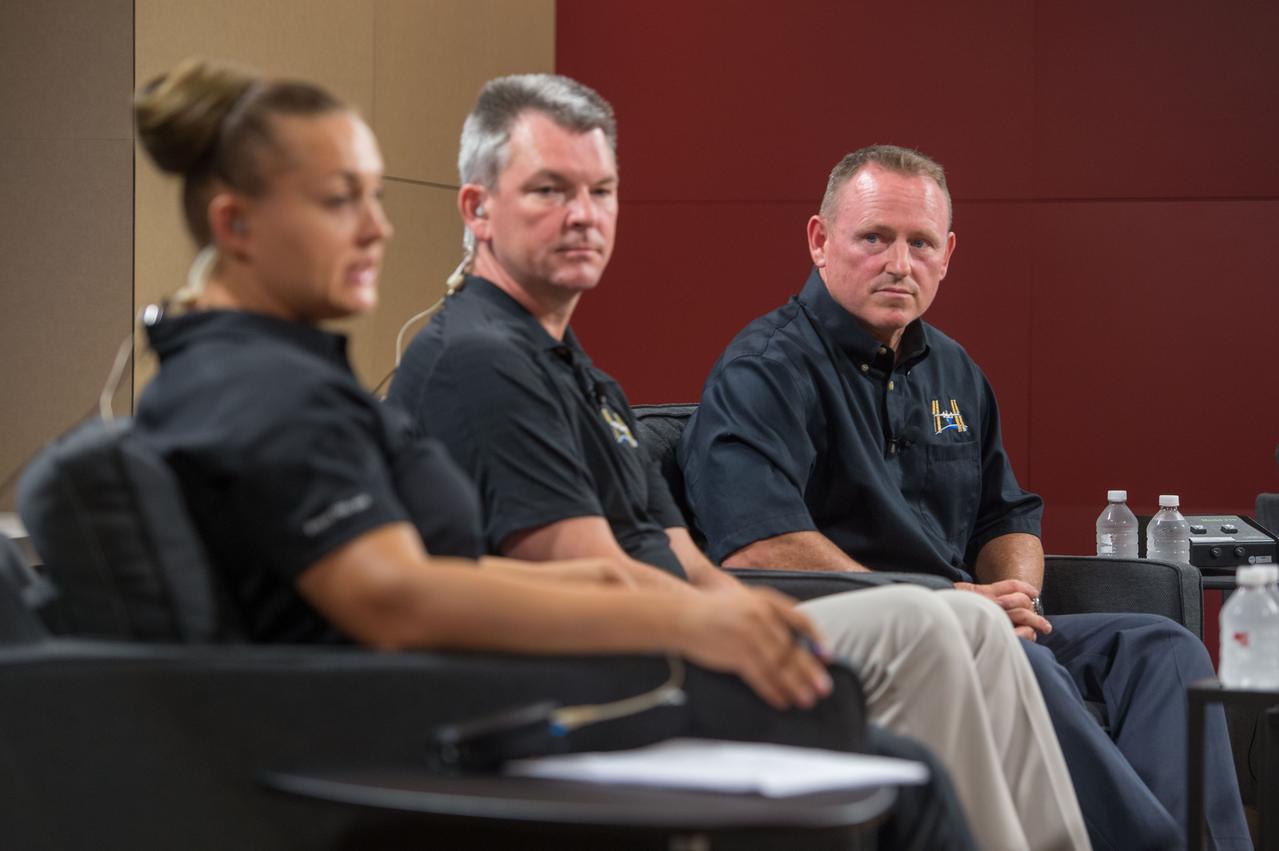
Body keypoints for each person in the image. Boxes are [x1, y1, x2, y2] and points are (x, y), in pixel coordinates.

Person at [127, 57, 898, 807]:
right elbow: (396, 596)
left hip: (452, 706)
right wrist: (681, 617)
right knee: (897, 766)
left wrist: (618, 589)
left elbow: (427, 571)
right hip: (410, 748)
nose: (377, 228)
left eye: (374, 197)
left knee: (894, 753)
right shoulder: (261, 386)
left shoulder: (277, 373)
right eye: (339, 200)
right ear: (235, 224)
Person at [390, 73, 1088, 851]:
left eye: (601, 190)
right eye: (549, 190)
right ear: (478, 209)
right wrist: (732, 623)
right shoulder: (479, 359)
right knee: (933, 619)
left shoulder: (579, 371)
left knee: (970, 621)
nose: (583, 214)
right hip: (611, 666)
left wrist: (753, 611)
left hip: (675, 628)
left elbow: (678, 552)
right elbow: (593, 574)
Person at [679, 143, 1252, 851]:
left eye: (920, 243)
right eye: (874, 238)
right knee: (1017, 663)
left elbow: (1005, 515)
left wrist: (1017, 599)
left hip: (974, 618)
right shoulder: (764, 370)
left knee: (1161, 647)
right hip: (866, 636)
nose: (899, 263)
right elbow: (761, 546)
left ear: (947, 254)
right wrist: (950, 602)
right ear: (820, 241)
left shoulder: (953, 369)